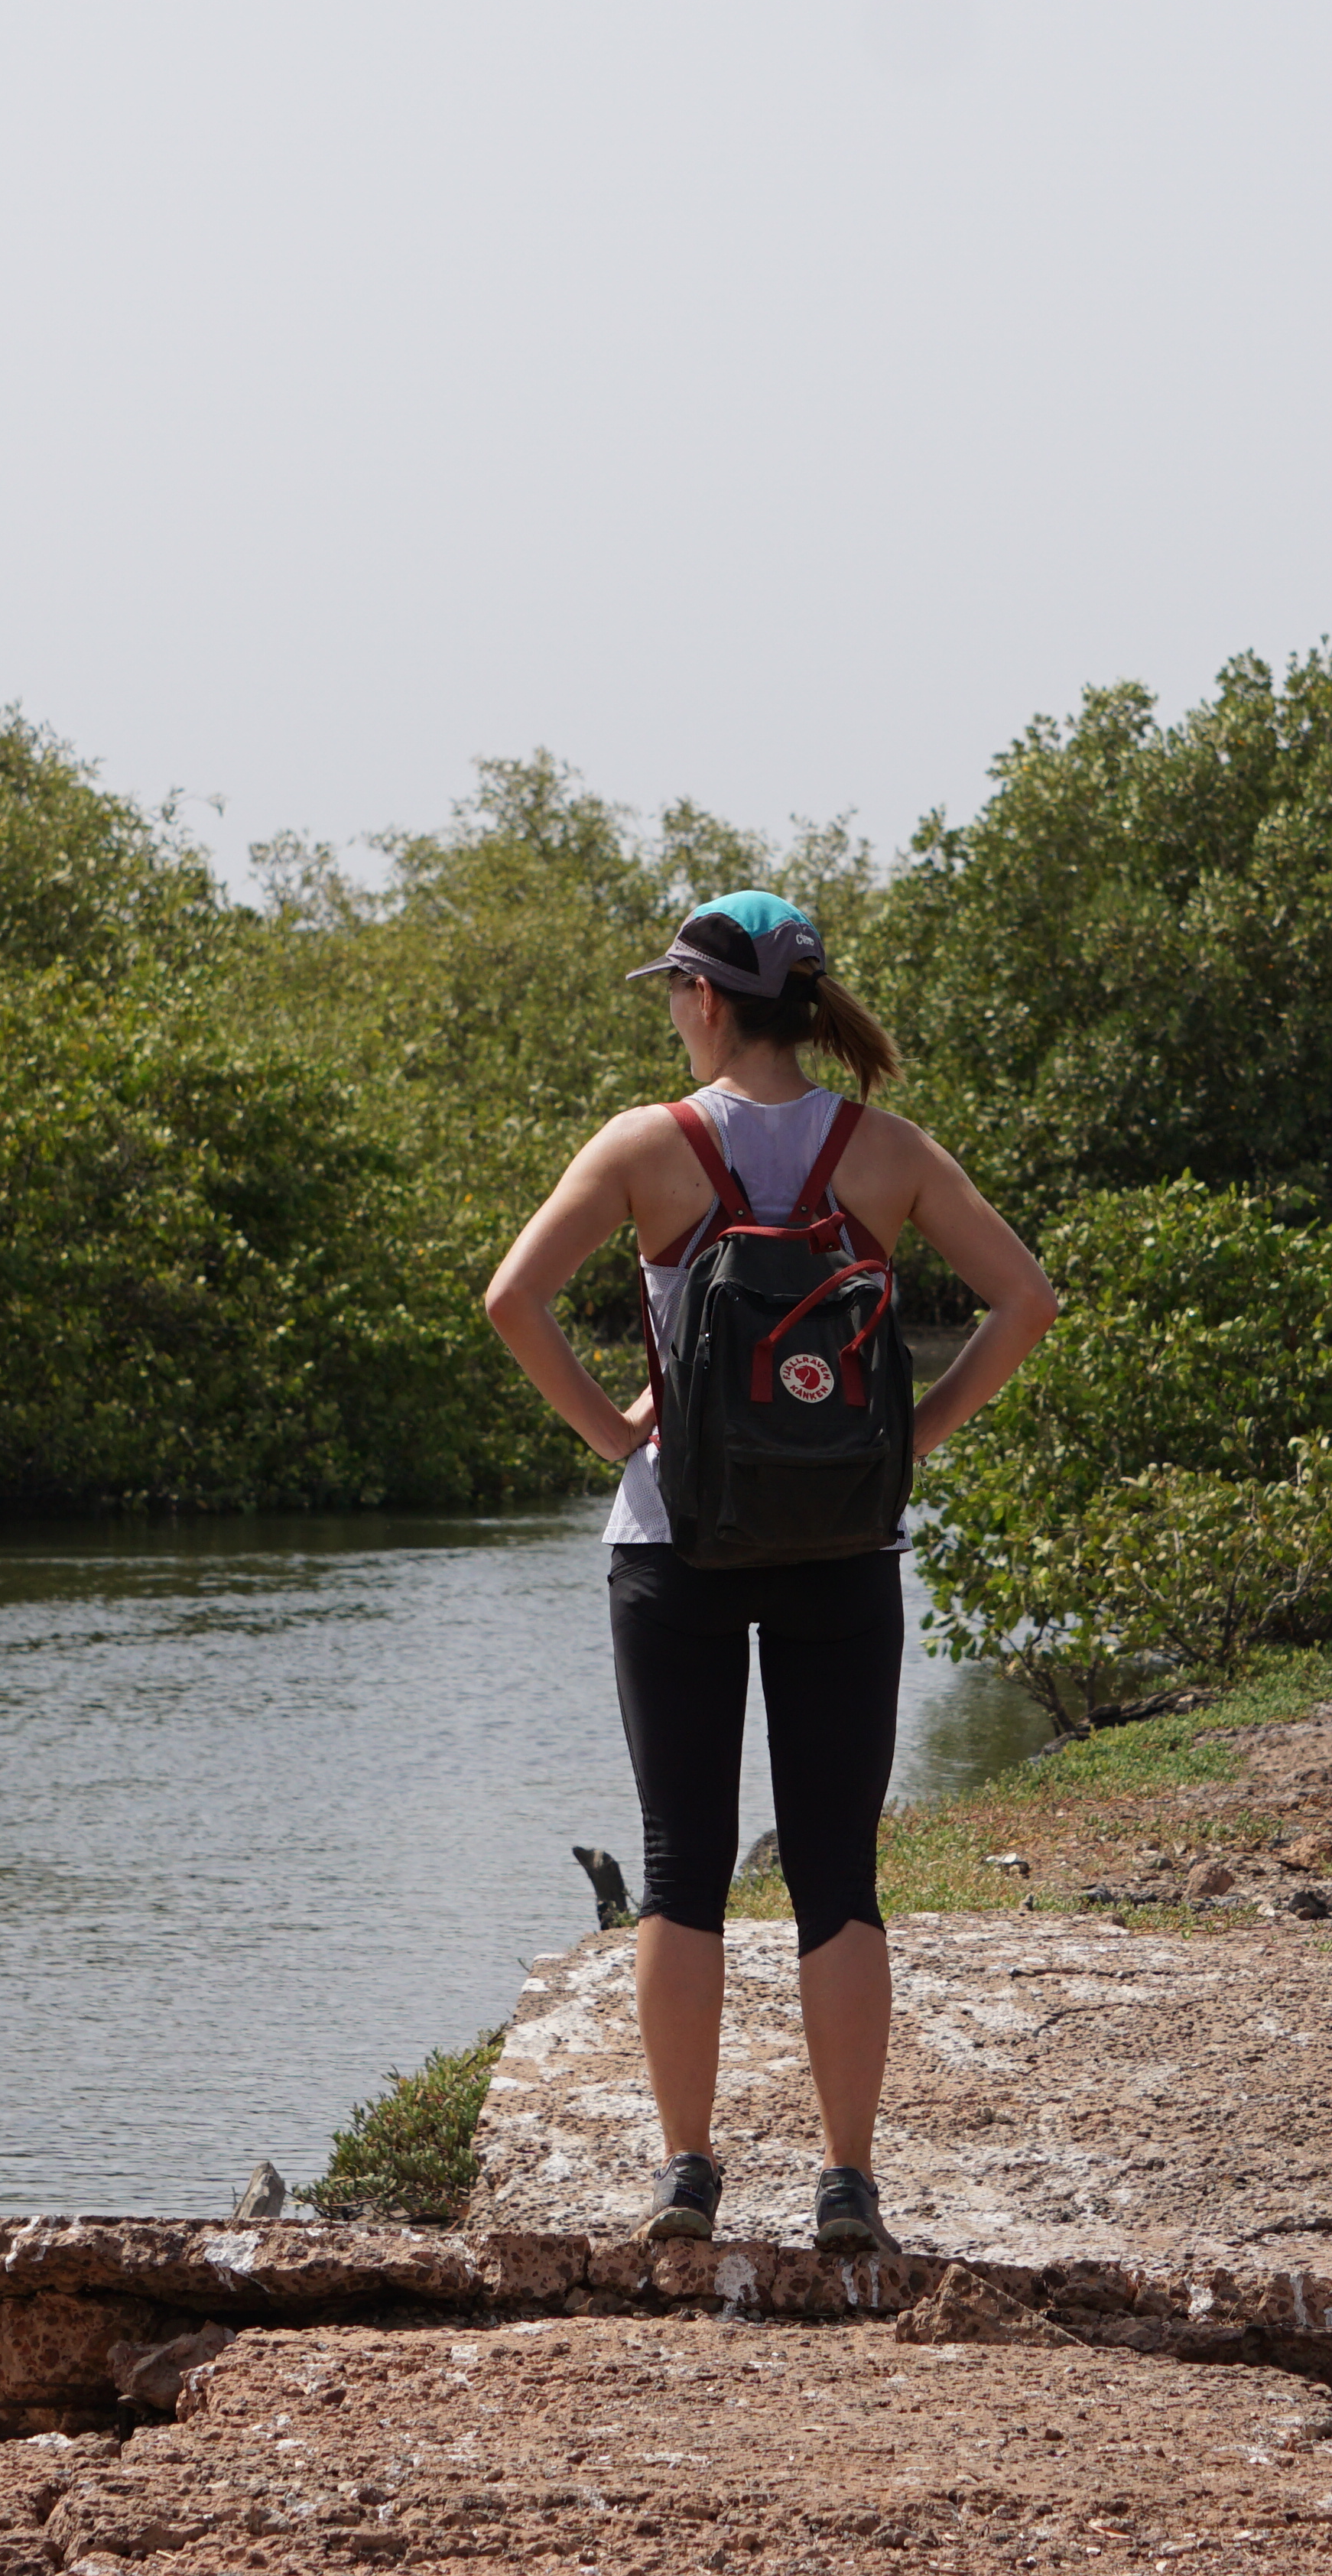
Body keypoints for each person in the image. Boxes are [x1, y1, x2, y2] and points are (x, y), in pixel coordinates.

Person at [482, 889, 1056, 2256]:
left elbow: (512, 1300)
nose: (674, 1012)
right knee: (835, 1869)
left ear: (708, 1000)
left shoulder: (646, 1150)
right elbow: (1026, 1301)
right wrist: (904, 1442)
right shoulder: (891, 1154)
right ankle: (848, 2184)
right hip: (843, 1543)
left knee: (683, 1865)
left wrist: (617, 1430)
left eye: (676, 991)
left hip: (674, 1537)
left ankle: (689, 2172)